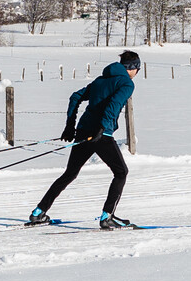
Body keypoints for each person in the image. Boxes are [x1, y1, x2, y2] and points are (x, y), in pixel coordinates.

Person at [27, 50, 140, 229]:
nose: (137, 74)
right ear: (132, 68)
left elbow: (75, 96)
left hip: (83, 131)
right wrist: (102, 128)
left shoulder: (100, 80)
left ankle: (39, 212)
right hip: (101, 134)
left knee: (70, 173)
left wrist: (70, 126)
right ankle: (107, 216)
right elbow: (114, 104)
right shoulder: (126, 83)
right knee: (121, 172)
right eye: (138, 69)